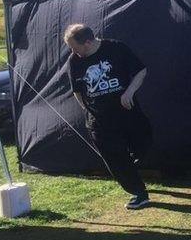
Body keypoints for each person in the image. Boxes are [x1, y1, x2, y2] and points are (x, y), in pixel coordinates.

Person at [64, 25, 151, 210]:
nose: (73, 52)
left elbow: (140, 71)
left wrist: (129, 92)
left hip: (127, 112)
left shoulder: (116, 48)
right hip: (100, 119)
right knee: (114, 156)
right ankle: (138, 192)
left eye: (75, 47)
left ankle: (133, 166)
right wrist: (89, 109)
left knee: (144, 143)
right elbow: (77, 91)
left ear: (87, 42)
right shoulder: (74, 60)